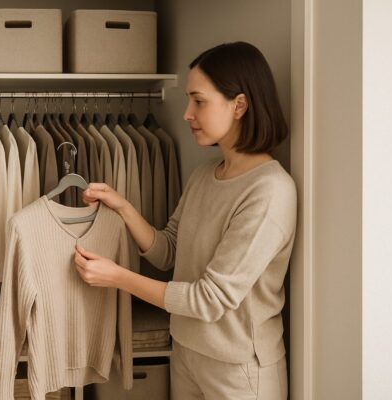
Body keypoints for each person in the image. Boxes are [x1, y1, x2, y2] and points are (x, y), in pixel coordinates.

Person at [74, 41, 297, 400]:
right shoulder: (205, 174)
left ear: (239, 104)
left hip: (239, 371)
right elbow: (168, 252)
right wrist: (123, 207)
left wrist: (117, 277)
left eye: (199, 101)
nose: (186, 114)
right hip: (188, 353)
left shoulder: (270, 191)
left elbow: (210, 299)